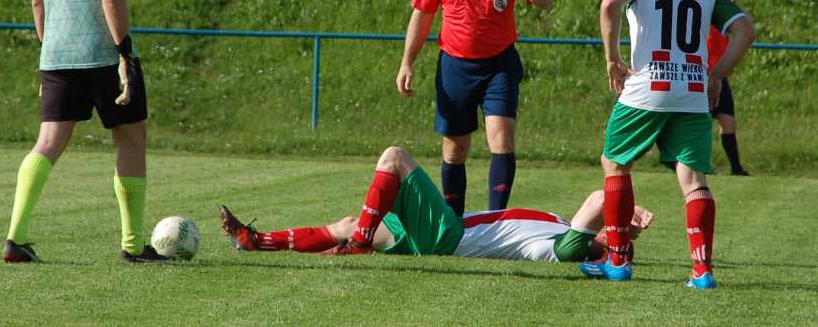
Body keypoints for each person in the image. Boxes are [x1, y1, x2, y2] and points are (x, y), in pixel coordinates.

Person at [4, 0, 169, 264]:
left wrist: (49, 46)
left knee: (48, 142)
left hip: (56, 51)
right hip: (101, 50)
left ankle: (15, 238)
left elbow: (36, 1)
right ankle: (133, 246)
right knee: (131, 137)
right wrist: (124, 52)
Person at [579, 0, 755, 288]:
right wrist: (717, 75)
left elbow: (609, 4)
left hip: (648, 87)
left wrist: (613, 59)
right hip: (692, 91)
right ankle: (702, 272)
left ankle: (618, 260)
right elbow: (745, 30)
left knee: (615, 163)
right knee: (693, 181)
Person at [397, 0, 553, 217]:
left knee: (502, 137)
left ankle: (495, 222)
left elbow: (545, 1)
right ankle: (455, 223)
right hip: (455, 63)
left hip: (499, 63)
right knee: (456, 148)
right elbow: (423, 13)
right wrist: (407, 63)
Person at [219, 145, 654, 259]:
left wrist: (623, 217)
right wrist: (621, 226)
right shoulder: (561, 226)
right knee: (350, 221)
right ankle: (254, 240)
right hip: (443, 233)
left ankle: (362, 241)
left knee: (394, 158)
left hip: (446, 236)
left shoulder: (561, 251)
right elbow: (596, 211)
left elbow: (601, 197)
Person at [707, 26, 749, 176]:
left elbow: (745, 27)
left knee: (728, 122)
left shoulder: (723, 20)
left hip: (720, 77)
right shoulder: (702, 17)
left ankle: (736, 167)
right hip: (704, 76)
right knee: (703, 122)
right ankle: (702, 166)